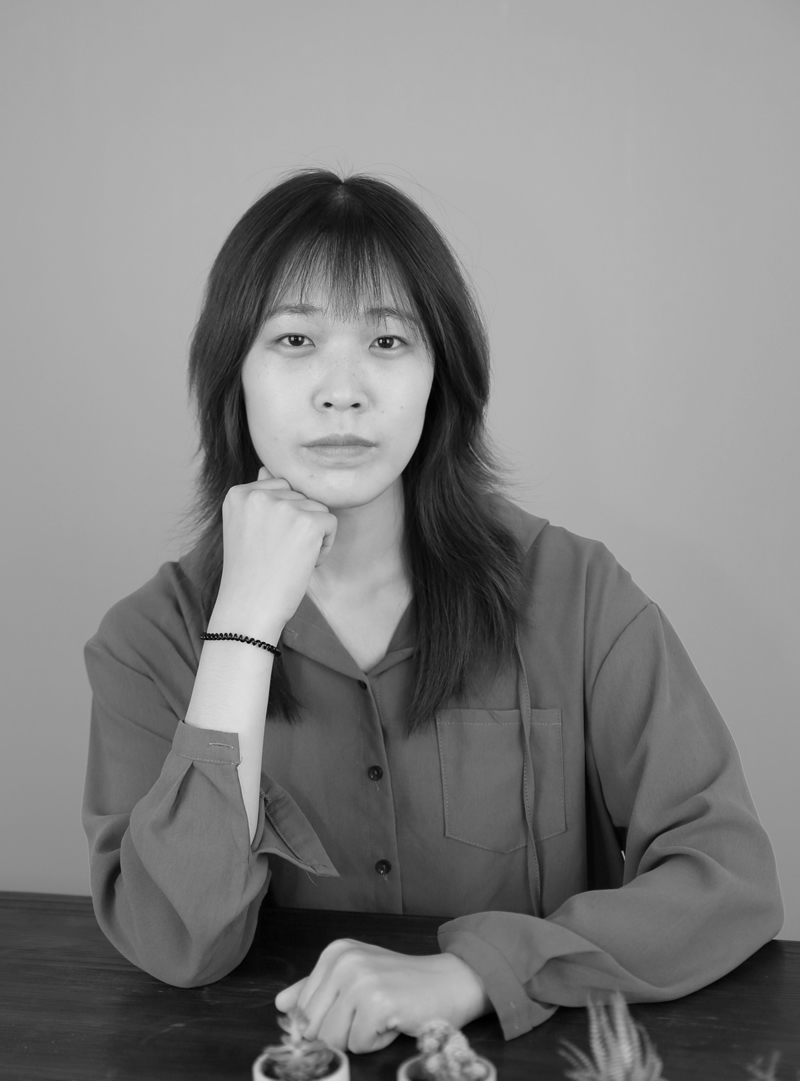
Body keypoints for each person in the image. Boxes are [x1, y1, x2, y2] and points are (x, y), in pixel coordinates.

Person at [83, 169, 783, 1054]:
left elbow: (729, 879)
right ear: (236, 376)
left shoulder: (577, 591)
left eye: (387, 340)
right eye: (294, 338)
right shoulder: (148, 638)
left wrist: (473, 973)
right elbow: (176, 944)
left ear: (438, 376)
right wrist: (244, 626)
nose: (343, 390)